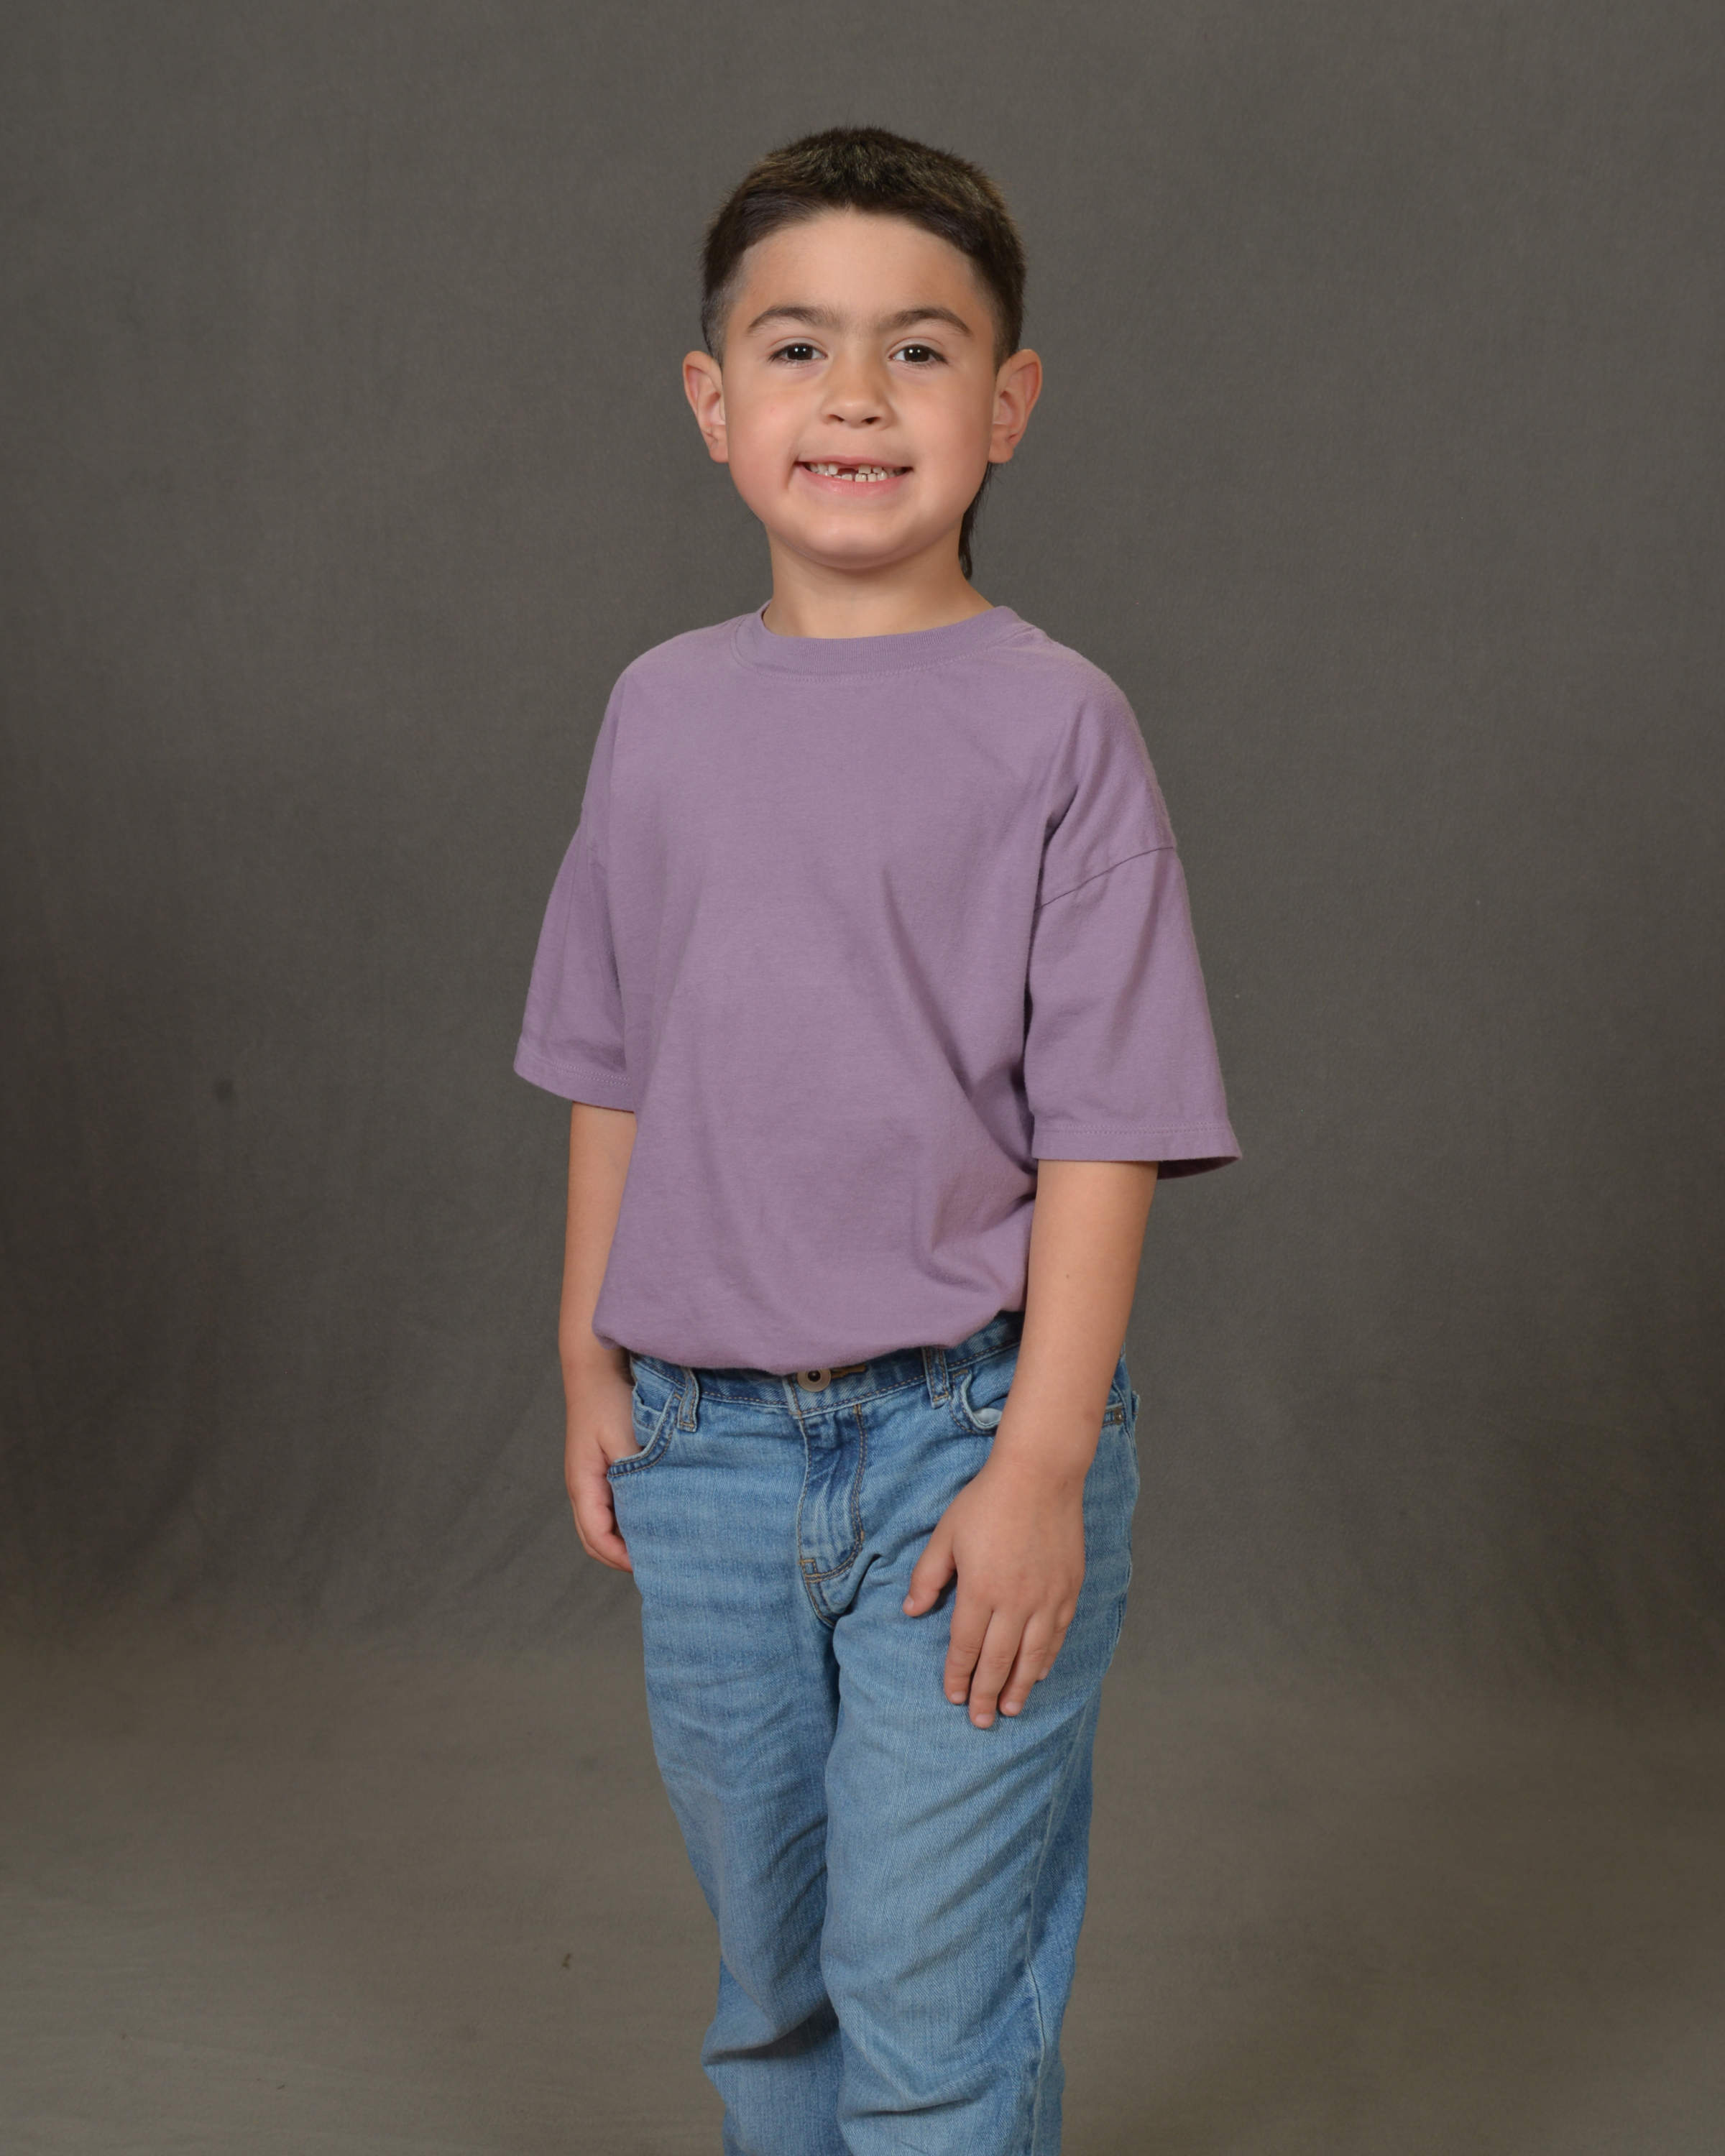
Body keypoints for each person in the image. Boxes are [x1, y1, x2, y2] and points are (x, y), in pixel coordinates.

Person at [514, 124, 1238, 2156]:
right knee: (777, 1989)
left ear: (1007, 404)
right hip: (706, 1452)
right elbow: (611, 1054)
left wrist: (1043, 1463)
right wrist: (584, 1350)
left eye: (919, 350)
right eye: (798, 348)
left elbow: (1106, 1125)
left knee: (933, 1993)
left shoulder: (1059, 725)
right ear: (712, 401)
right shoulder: (658, 711)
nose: (853, 397)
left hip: (964, 1441)